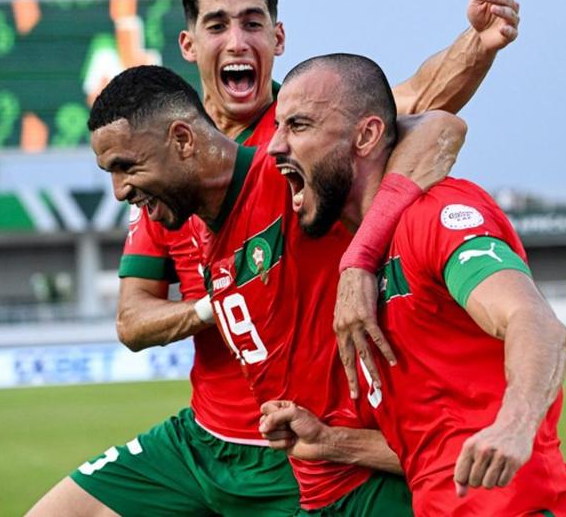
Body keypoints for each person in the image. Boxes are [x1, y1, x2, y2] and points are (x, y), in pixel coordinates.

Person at [26, 0, 521, 516]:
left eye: (252, 23)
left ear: (277, 38)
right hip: (203, 437)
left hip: (302, 446)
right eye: (218, 25)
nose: (236, 40)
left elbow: (422, 109)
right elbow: (131, 318)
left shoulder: (307, 140)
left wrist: (477, 42)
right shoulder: (163, 173)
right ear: (190, 44)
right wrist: (215, 308)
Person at [87, 65, 466, 513]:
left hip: (368, 484)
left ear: (184, 141)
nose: (117, 191)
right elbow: (131, 323)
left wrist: (358, 261)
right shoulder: (199, 225)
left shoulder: (280, 172)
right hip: (314, 471)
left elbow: (440, 126)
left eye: (125, 166)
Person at [261, 53, 566, 516]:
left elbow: (536, 323)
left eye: (299, 126)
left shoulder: (438, 215)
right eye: (278, 126)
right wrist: (331, 442)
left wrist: (515, 425)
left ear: (365, 137)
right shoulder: (355, 258)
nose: (275, 146)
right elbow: (435, 452)